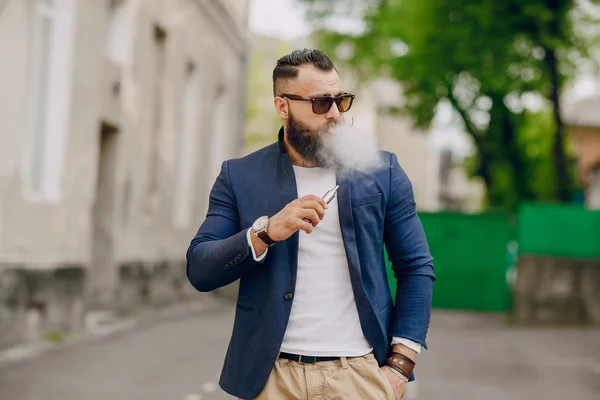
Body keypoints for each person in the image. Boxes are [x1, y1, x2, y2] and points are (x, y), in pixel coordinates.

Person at [186, 49, 436, 400]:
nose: (335, 114)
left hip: (359, 375)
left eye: (341, 100)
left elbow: (416, 267)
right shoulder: (239, 176)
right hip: (272, 378)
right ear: (283, 106)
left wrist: (399, 366)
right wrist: (265, 232)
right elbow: (200, 268)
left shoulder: (382, 171)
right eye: (321, 103)